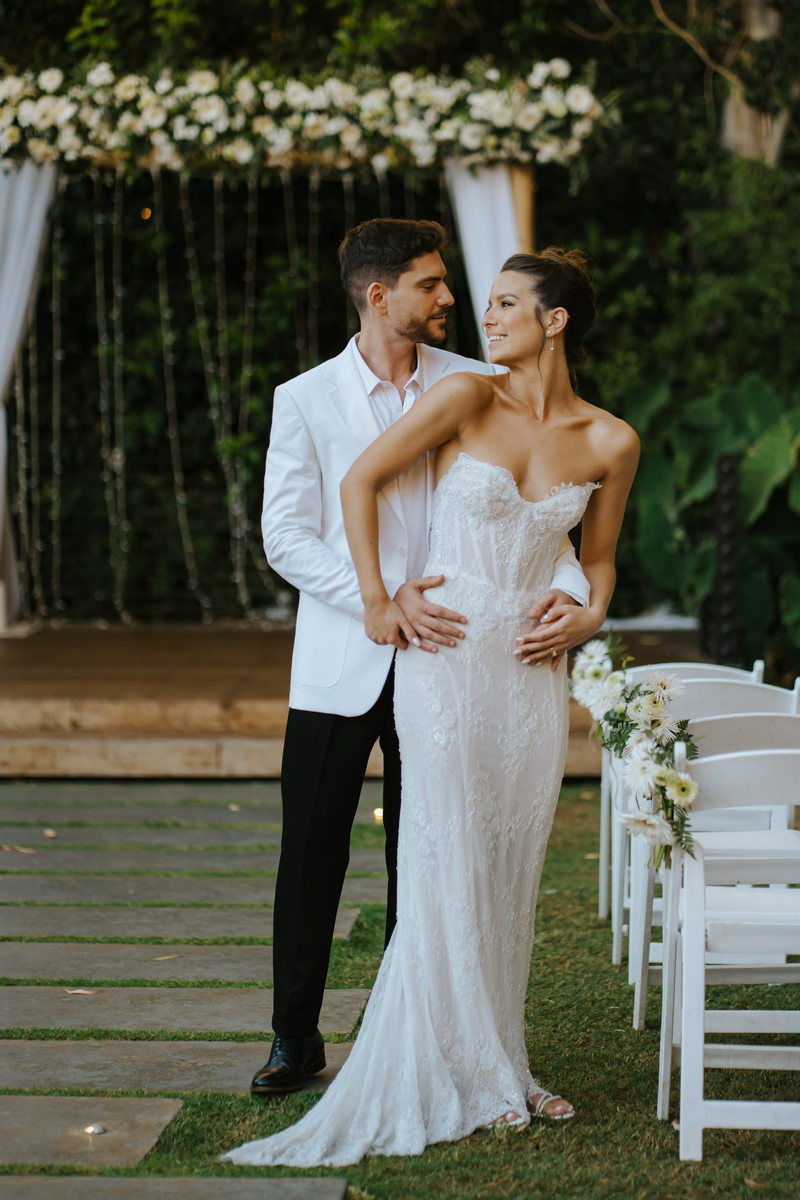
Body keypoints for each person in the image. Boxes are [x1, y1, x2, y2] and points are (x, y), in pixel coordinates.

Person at [223, 246, 639, 1167]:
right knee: (359, 848)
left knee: (500, 859)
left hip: (521, 673)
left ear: (554, 320)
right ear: (380, 295)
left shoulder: (593, 432)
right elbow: (315, 513)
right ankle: (302, 1035)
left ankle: (496, 1057)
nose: (471, 309)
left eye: (501, 301)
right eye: (444, 289)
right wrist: (377, 599)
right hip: (408, 654)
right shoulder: (367, 396)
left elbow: (590, 555)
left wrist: (588, 608)